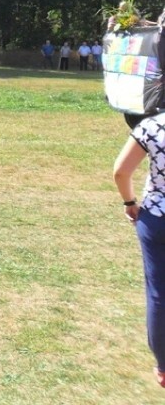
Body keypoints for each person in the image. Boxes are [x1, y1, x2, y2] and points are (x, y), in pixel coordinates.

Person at [113, 112, 165, 389]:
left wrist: (130, 202)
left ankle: (164, 366)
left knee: (159, 294)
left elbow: (121, 171)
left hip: (157, 218)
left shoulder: (152, 125)